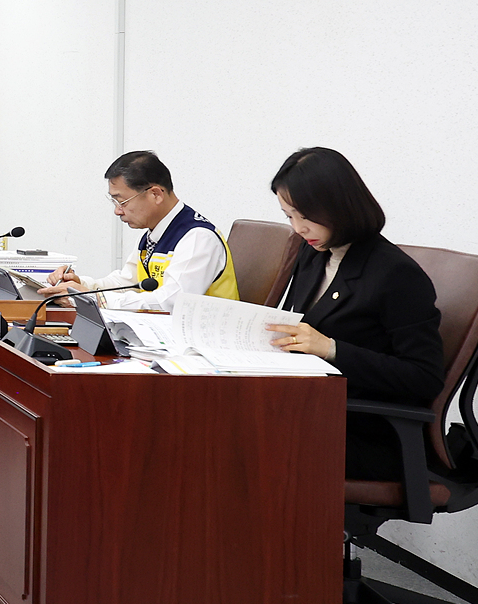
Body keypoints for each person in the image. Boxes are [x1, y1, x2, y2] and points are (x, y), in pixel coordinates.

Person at [265, 147, 444, 481]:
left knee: (237, 436)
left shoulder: (395, 273)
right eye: (289, 216)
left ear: (339, 206)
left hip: (365, 430)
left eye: (305, 216)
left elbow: (425, 377)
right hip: (312, 406)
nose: (298, 228)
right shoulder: (314, 253)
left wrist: (331, 348)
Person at [39, 150, 240, 310]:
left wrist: (93, 299)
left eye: (122, 202)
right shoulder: (153, 234)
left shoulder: (197, 237)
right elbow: (127, 282)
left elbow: (171, 302)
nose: (118, 211)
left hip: (202, 343)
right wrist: (80, 286)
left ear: (155, 194)